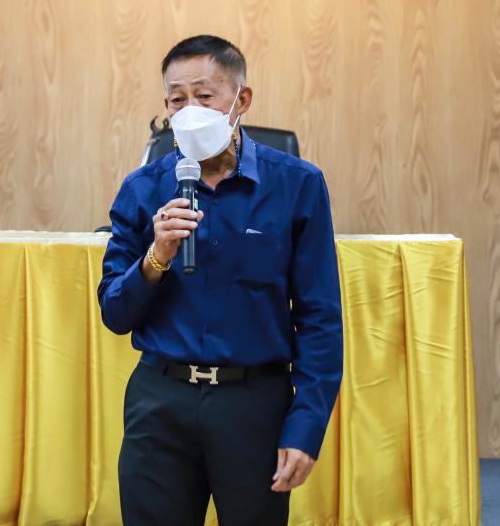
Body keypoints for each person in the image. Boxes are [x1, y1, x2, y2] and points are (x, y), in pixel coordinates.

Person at [97, 34, 343, 526]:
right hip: (160, 400)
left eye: (204, 96)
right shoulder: (143, 189)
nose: (189, 111)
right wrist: (155, 258)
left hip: (254, 403)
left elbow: (319, 318)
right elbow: (115, 313)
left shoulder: (297, 184)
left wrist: (306, 426)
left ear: (241, 100)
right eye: (177, 100)